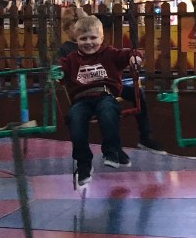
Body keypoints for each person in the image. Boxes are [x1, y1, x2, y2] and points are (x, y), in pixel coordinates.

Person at [57, 12, 163, 153]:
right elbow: (60, 69)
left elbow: (115, 55)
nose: (87, 38)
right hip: (84, 88)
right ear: (69, 30)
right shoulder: (67, 50)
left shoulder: (96, 45)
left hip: (105, 85)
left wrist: (132, 58)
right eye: (76, 27)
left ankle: (145, 136)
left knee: (137, 94)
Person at [58, 15, 142, 188]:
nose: (88, 42)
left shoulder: (109, 53)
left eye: (93, 38)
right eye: (83, 39)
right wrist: (55, 71)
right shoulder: (72, 59)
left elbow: (129, 53)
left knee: (108, 112)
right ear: (76, 40)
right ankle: (83, 164)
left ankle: (111, 151)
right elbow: (59, 69)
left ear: (102, 38)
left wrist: (135, 57)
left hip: (104, 95)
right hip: (80, 100)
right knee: (74, 121)